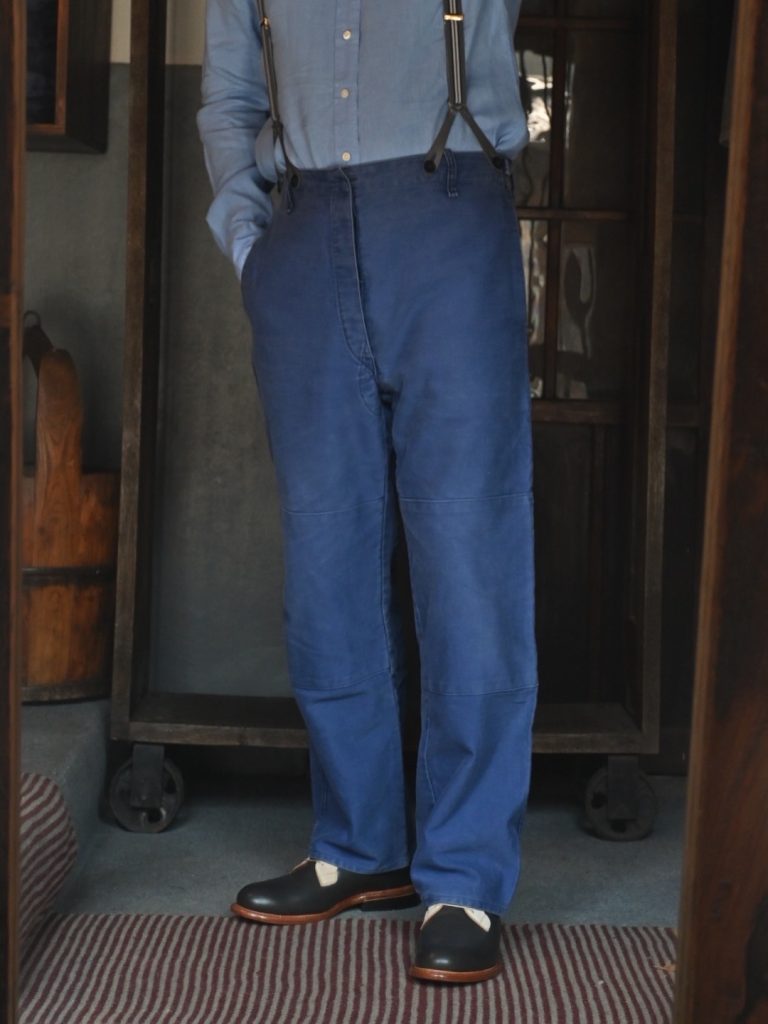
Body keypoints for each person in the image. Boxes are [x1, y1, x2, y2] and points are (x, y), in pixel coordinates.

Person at [197, 0, 539, 985]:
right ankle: (359, 845)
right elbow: (229, 98)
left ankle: (465, 875)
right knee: (327, 561)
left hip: (449, 219)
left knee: (470, 559)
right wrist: (253, 247)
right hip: (302, 237)